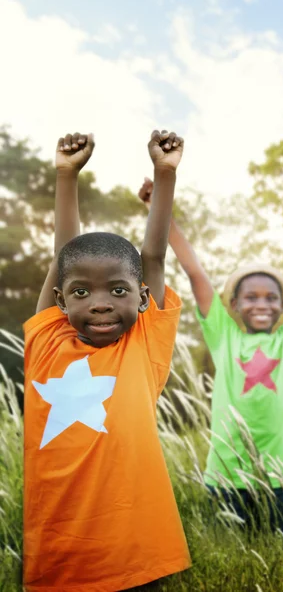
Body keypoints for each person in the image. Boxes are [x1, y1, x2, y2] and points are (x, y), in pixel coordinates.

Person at [137, 178, 283, 533]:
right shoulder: (223, 335)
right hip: (227, 475)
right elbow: (194, 271)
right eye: (251, 297)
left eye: (271, 298)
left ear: (282, 307)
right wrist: (157, 209)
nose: (262, 304)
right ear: (234, 305)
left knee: (278, 556)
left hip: (281, 476)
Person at [23, 130, 190, 590]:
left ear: (140, 298)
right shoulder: (47, 343)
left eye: (117, 290)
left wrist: (165, 173)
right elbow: (63, 256)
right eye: (82, 292)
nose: (99, 303)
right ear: (60, 300)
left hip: (135, 551)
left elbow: (152, 255)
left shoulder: (142, 345)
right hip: (61, 553)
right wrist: (65, 175)